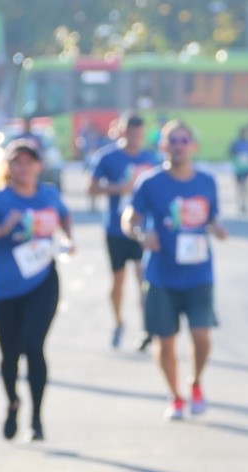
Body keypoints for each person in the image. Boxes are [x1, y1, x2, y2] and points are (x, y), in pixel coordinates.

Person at [0, 138, 75, 442]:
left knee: (33, 346)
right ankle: (12, 402)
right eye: (16, 162)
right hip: (4, 290)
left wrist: (69, 239)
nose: (23, 168)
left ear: (39, 165)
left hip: (43, 282)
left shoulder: (48, 194)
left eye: (29, 161)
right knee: (10, 355)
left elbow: (64, 214)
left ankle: (36, 417)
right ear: (7, 166)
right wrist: (0, 230)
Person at [120, 120, 228, 420]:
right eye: (172, 141)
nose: (178, 146)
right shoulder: (150, 182)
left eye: (184, 140)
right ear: (162, 146)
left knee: (201, 336)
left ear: (193, 146)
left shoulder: (206, 181)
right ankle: (175, 396)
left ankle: (195, 383)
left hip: (199, 273)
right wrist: (141, 233)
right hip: (161, 275)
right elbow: (130, 217)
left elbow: (212, 216)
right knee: (164, 341)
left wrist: (217, 228)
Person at [88, 112, 160, 352]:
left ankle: (146, 328)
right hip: (115, 229)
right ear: (121, 131)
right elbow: (92, 188)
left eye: (138, 134)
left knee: (143, 279)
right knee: (118, 281)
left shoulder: (150, 158)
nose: (134, 138)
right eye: (130, 132)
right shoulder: (107, 157)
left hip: (141, 228)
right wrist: (120, 188)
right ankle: (118, 321)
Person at [228, 125, 248, 214]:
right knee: (239, 187)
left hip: (246, 169)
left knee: (246, 186)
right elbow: (230, 153)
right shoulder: (235, 143)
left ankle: (245, 204)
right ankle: (240, 204)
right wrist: (236, 158)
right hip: (238, 169)